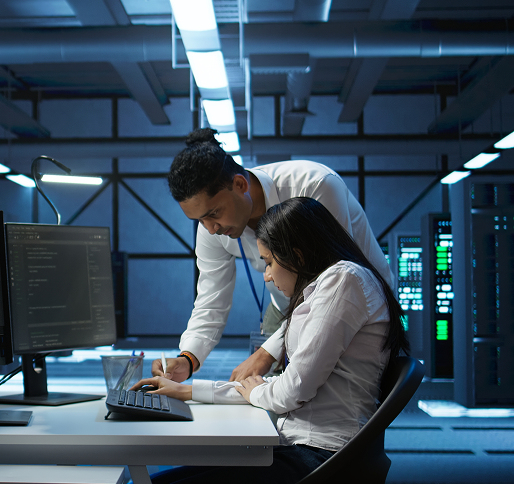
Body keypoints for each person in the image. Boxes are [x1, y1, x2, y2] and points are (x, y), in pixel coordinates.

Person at [133, 197, 409, 483]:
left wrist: (255, 391)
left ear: (297, 256)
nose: (266, 276)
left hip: (322, 459)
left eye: (268, 262)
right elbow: (274, 387)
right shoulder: (328, 288)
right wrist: (186, 391)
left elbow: (292, 389)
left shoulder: (343, 281)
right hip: (303, 449)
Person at [156, 129, 392, 383]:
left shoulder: (314, 185)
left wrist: (267, 352)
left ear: (240, 184)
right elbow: (210, 299)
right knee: (267, 396)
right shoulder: (213, 229)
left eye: (213, 213)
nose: (210, 228)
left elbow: (333, 289)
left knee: (339, 401)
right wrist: (188, 358)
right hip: (288, 308)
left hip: (353, 304)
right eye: (198, 220)